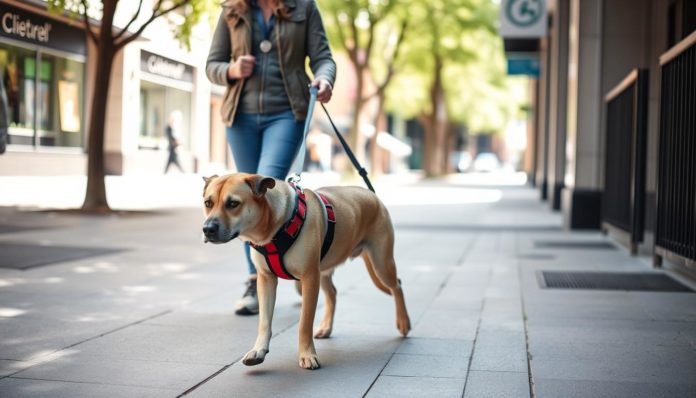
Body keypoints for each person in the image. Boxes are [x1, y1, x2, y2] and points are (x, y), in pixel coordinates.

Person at [206, 0, 336, 315]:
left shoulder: (304, 7)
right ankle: (258, 276)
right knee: (242, 198)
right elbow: (213, 65)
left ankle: (281, 262)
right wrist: (232, 70)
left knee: (265, 187)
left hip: (287, 112)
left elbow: (323, 59)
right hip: (241, 117)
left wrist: (324, 79)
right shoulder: (232, 10)